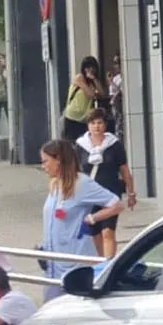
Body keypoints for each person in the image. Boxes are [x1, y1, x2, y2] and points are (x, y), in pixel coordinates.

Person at [40, 139, 123, 302]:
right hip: (53, 262)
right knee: (50, 309)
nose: (43, 166)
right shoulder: (55, 184)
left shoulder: (82, 183)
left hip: (75, 260)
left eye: (45, 161)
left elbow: (116, 204)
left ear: (59, 160)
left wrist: (92, 218)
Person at [75, 109, 137, 258]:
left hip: (110, 193)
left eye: (100, 122)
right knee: (95, 233)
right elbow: (76, 171)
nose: (96, 126)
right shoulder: (80, 145)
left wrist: (131, 193)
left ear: (105, 125)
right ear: (88, 125)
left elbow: (124, 170)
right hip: (90, 194)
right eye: (93, 123)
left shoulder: (114, 144)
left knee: (108, 231)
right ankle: (101, 263)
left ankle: (109, 263)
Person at [62, 56, 104, 141]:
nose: (90, 70)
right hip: (73, 116)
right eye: (87, 68)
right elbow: (91, 94)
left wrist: (94, 79)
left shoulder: (92, 82)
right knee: (72, 142)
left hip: (84, 118)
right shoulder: (79, 78)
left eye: (92, 67)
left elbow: (102, 94)